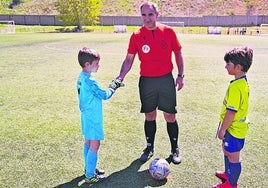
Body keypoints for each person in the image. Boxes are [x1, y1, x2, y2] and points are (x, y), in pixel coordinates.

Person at [115, 1, 184, 164]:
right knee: (149, 115)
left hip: (166, 79)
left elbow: (178, 53)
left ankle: (174, 149)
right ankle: (149, 147)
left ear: (157, 15)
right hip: (146, 81)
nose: (147, 18)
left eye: (150, 14)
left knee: (170, 116)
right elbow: (129, 59)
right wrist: (120, 76)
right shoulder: (136, 35)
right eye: (143, 15)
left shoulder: (168, 32)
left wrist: (181, 75)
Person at [76, 47, 124, 184]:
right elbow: (104, 95)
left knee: (88, 142)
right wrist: (113, 87)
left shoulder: (81, 77)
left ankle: (88, 169)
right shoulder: (90, 81)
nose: (98, 65)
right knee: (95, 145)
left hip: (86, 115)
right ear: (87, 65)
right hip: (93, 117)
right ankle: (90, 175)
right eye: (96, 63)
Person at [214, 47, 253, 188]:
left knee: (233, 156)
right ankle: (228, 173)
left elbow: (231, 111)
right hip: (232, 127)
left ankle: (232, 184)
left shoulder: (237, 87)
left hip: (234, 129)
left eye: (228, 64)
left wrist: (222, 129)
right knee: (227, 151)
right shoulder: (240, 82)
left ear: (238, 67)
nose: (225, 66)